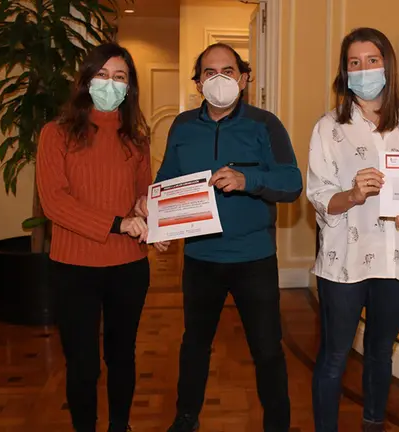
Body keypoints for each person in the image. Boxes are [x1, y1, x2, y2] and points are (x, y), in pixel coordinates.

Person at [136, 43, 302, 432]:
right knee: (194, 344)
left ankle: (277, 424)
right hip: (200, 258)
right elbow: (167, 183)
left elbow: (292, 182)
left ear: (244, 78)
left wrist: (250, 180)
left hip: (253, 257)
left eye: (228, 70)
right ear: (198, 83)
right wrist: (158, 222)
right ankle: (186, 417)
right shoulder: (181, 126)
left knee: (266, 350)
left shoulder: (266, 124)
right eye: (210, 72)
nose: (220, 79)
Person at [306, 27, 399, 432]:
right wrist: (352, 194)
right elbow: (317, 194)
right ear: (344, 73)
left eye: (372, 60)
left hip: (398, 257)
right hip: (343, 261)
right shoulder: (328, 127)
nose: (363, 69)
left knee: (382, 352)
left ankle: (373, 424)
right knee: (334, 354)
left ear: (388, 65)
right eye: (354, 63)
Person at [36, 43, 153, 432]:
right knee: (83, 364)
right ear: (85, 80)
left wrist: (152, 217)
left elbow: (143, 195)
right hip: (74, 269)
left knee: (122, 358)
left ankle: (120, 425)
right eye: (102, 75)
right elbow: (54, 203)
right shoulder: (55, 134)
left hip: (129, 268)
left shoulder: (136, 137)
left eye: (120, 77)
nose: (110, 84)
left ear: (129, 87)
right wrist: (118, 223)